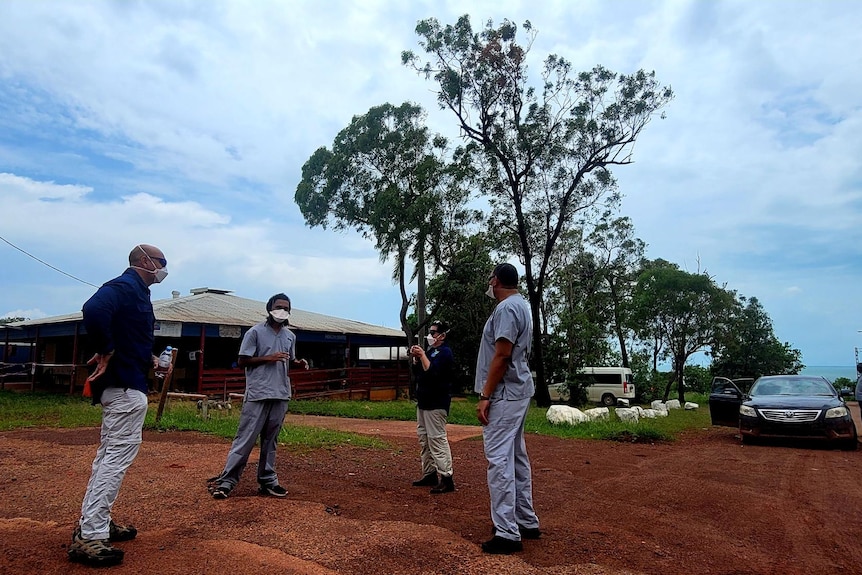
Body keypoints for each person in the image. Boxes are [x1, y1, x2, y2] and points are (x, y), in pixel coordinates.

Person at [69, 244, 169, 566]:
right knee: (115, 459)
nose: (165, 269)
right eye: (162, 262)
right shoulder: (125, 287)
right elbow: (94, 310)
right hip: (124, 389)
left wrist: (150, 358)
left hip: (127, 383)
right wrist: (105, 348)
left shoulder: (137, 293)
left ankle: (95, 522)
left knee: (106, 457)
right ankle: (91, 534)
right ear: (144, 261)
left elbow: (128, 337)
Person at [208, 293, 308, 500]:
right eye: (278, 306)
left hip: (280, 393)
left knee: (271, 440)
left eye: (286, 308)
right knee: (245, 439)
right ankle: (227, 481)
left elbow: (289, 361)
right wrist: (268, 358)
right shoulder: (254, 332)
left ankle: (268, 481)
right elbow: (243, 361)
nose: (282, 311)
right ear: (269, 308)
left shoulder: (290, 336)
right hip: (258, 392)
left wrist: (298, 363)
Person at [474, 263, 540, 555]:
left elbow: (501, 355)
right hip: (519, 390)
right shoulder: (521, 305)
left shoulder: (505, 310)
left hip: (504, 393)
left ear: (497, 280)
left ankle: (507, 532)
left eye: (490, 278)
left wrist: (486, 394)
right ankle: (525, 520)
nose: (489, 283)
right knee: (516, 457)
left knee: (499, 459)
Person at [409, 319, 456, 494]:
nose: (431, 335)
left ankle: (446, 477)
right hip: (424, 402)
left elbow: (433, 373)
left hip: (436, 403)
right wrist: (417, 360)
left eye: (434, 332)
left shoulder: (445, 353)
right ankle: (429, 473)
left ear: (443, 335)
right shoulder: (432, 351)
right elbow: (420, 374)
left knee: (437, 439)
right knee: (424, 438)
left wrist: (422, 356)